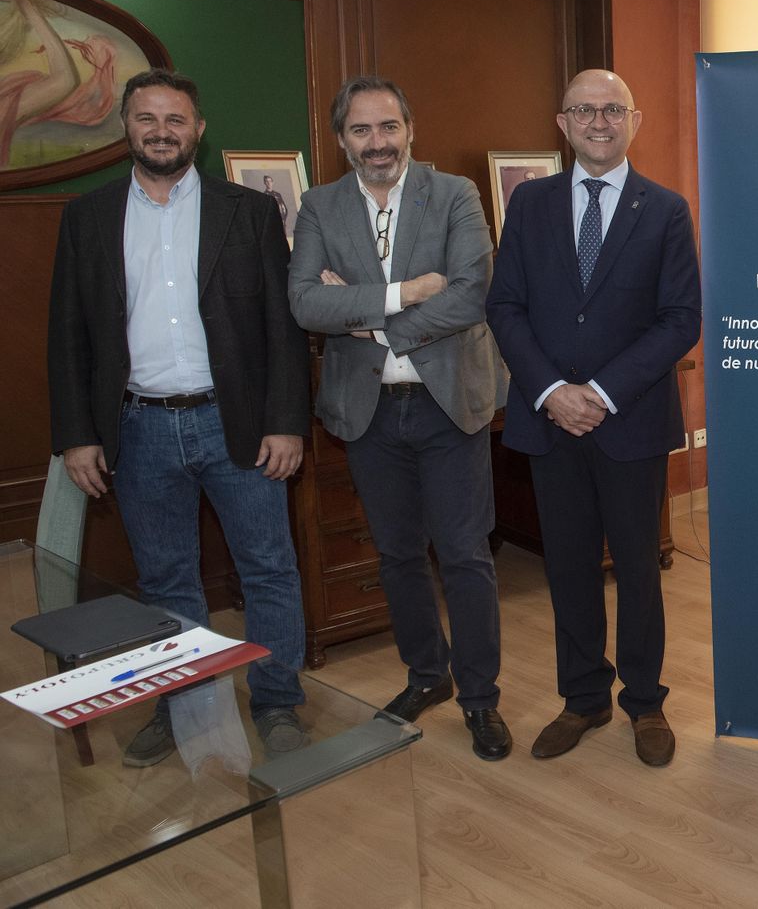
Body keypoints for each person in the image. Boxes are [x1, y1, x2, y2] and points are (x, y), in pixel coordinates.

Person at [47, 68, 310, 764]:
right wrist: (78, 435)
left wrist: (287, 422)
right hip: (139, 430)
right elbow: (68, 332)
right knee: (166, 581)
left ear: (198, 128)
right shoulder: (89, 216)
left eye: (175, 119)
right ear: (126, 127)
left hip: (242, 426)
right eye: (147, 118)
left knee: (269, 569)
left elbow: (282, 330)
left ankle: (279, 701)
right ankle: (185, 702)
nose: (161, 131)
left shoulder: (248, 211)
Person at [286, 76, 510, 761]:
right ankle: (426, 675)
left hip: (449, 405)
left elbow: (473, 294)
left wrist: (367, 319)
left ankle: (480, 699)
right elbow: (302, 303)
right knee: (398, 556)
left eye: (388, 127)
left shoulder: (453, 195)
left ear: (410, 129)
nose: (377, 142)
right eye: (361, 130)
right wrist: (405, 292)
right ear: (341, 139)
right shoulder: (320, 206)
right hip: (368, 413)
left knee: (467, 557)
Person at [486, 69, 700, 767]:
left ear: (633, 120)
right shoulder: (531, 204)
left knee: (638, 568)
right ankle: (583, 698)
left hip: (629, 421)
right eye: (585, 110)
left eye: (612, 109)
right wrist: (551, 390)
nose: (599, 121)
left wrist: (600, 392)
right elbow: (506, 307)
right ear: (563, 121)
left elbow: (680, 320)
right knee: (569, 567)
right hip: (550, 422)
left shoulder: (664, 210)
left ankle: (645, 701)